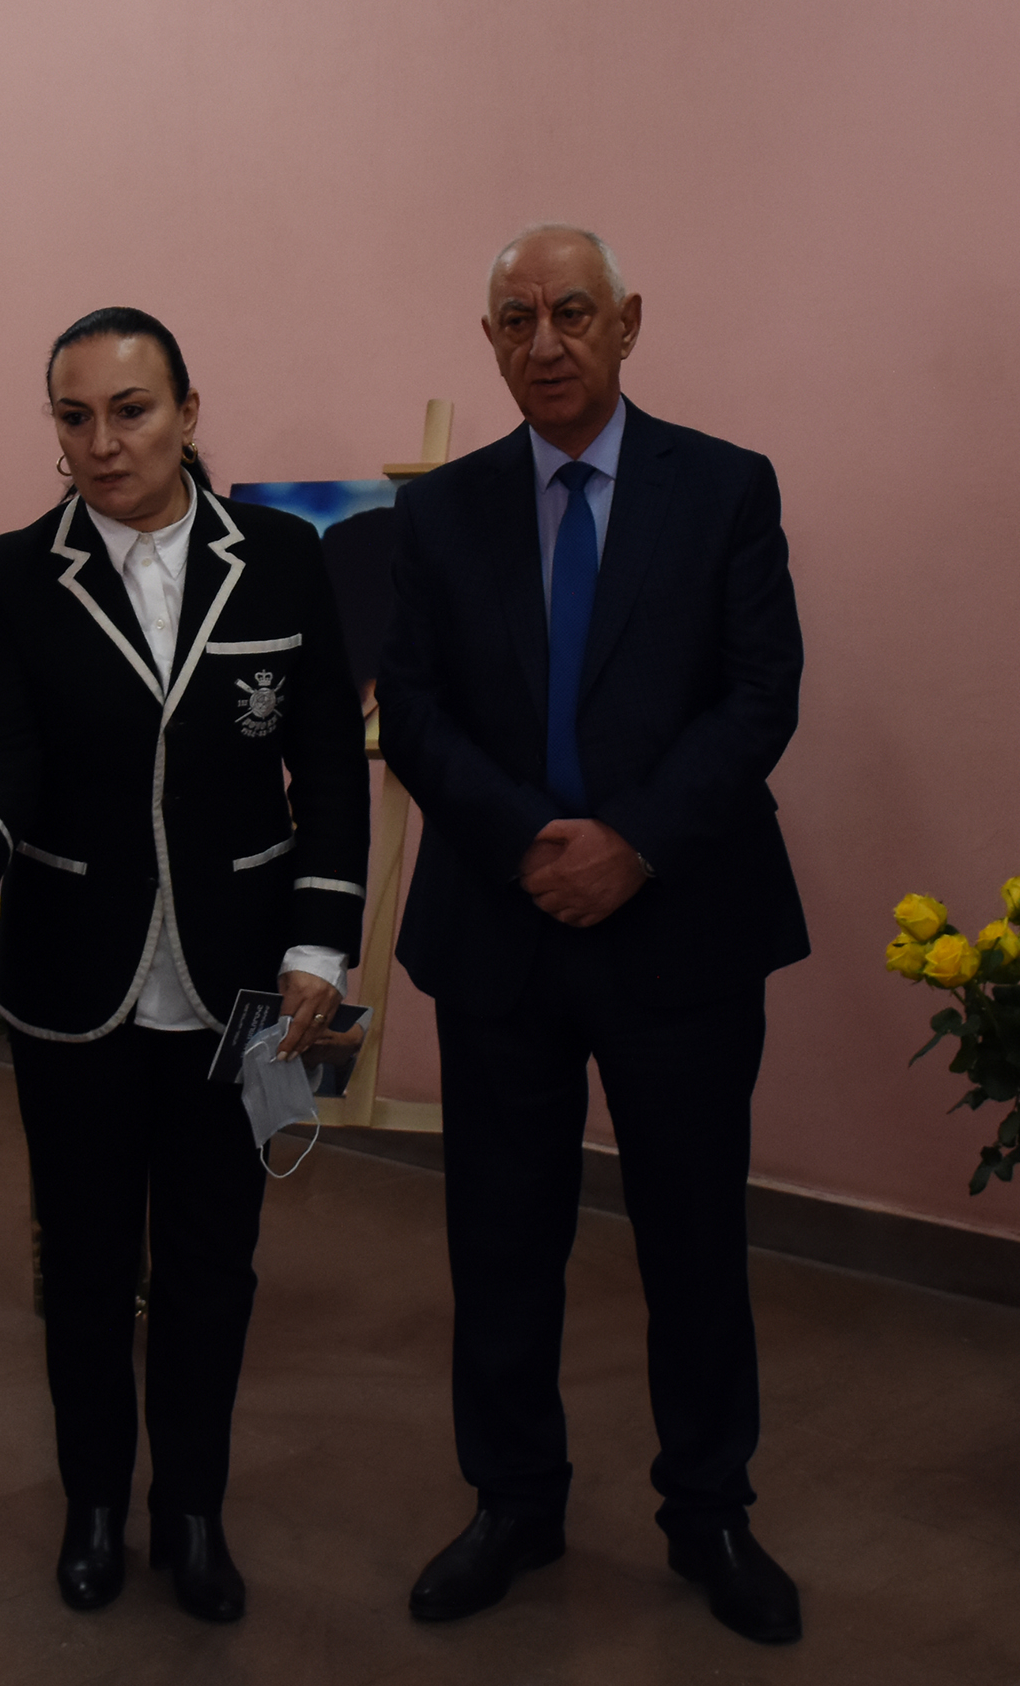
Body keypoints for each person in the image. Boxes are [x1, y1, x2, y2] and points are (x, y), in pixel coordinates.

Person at [0, 309, 370, 1626]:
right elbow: (0, 759)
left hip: (241, 976)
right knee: (84, 1262)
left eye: (131, 410)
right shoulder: (15, 573)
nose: (103, 442)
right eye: (75, 416)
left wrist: (319, 944)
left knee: (214, 1258)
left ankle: (191, 1509)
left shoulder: (286, 558)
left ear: (189, 412)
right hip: (72, 975)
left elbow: (327, 768)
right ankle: (93, 1500)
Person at [376, 224, 809, 1645]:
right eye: (517, 318)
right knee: (502, 1238)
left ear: (627, 322)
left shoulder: (724, 487)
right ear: (487, 339)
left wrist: (631, 842)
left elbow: (760, 693)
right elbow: (411, 708)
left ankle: (710, 1509)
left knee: (694, 1236)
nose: (545, 341)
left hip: (680, 922)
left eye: (572, 312)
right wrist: (526, 841)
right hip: (500, 927)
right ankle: (513, 1500)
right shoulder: (442, 512)